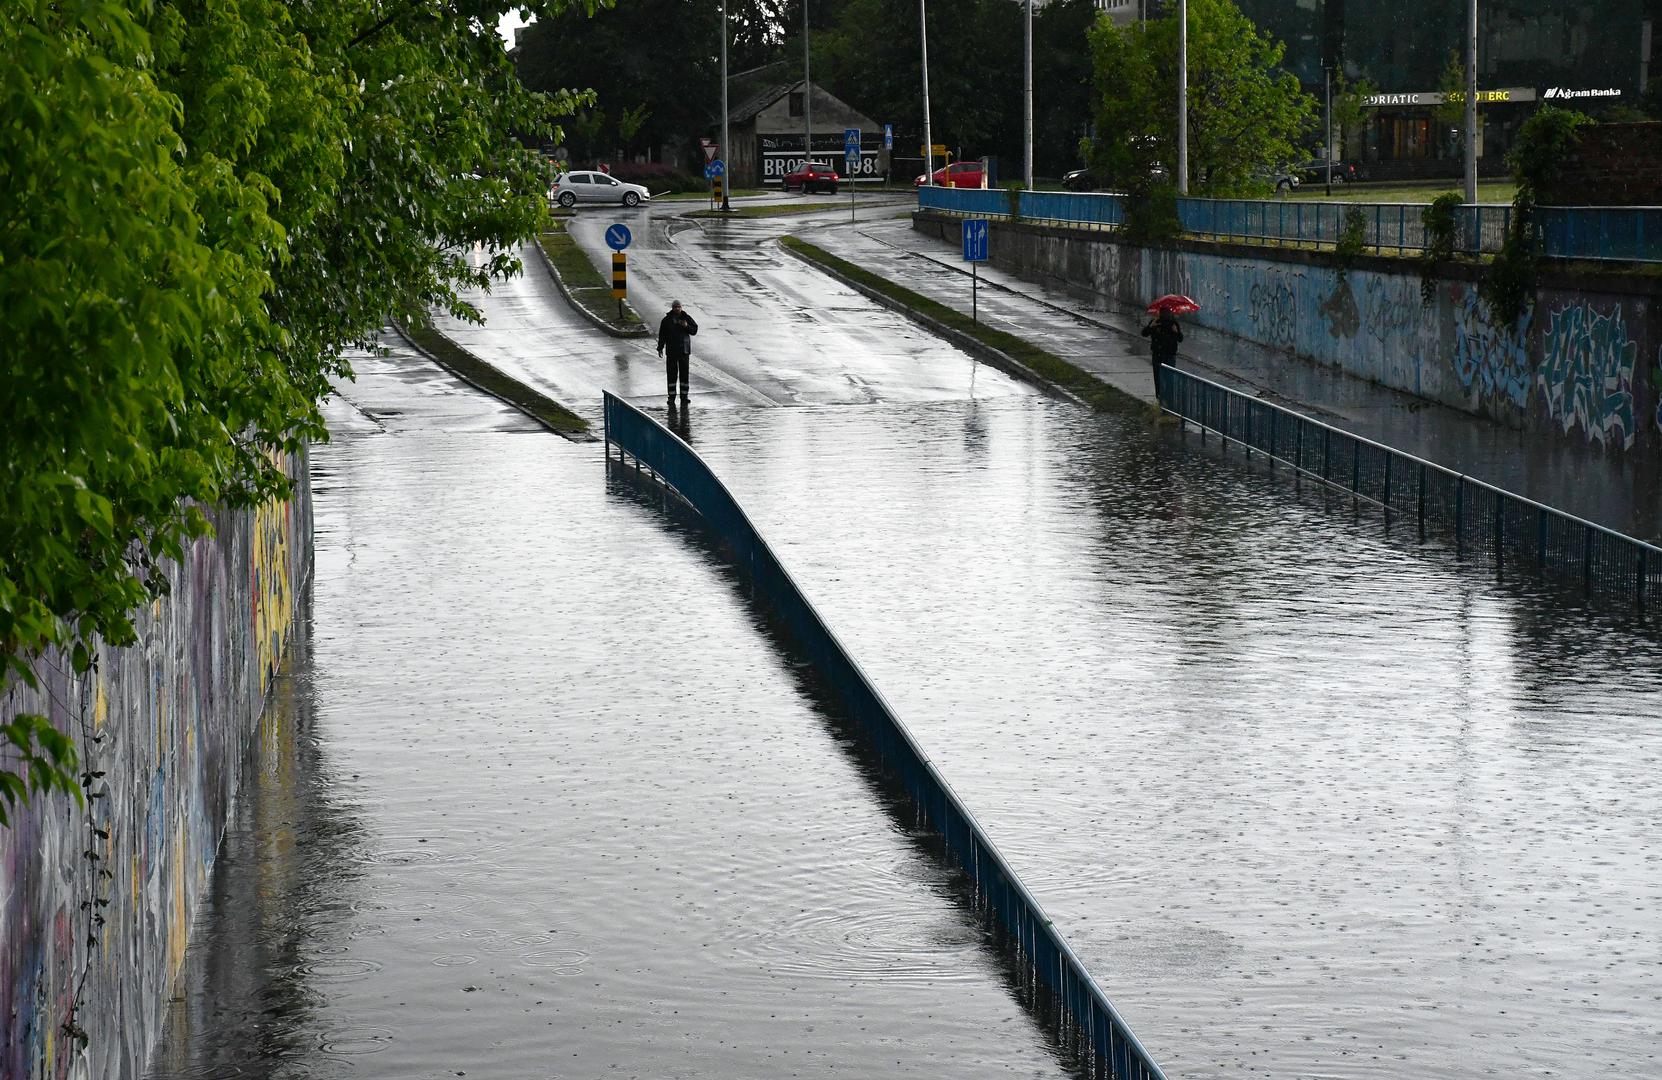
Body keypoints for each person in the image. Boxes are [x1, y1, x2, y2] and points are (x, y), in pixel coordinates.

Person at [656, 300, 698, 400]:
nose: (677, 309)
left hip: (684, 350)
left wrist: (686, 326)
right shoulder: (666, 320)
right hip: (672, 351)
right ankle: (671, 396)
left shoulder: (686, 318)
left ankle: (684, 396)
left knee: (684, 374)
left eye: (679, 307)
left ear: (681, 307)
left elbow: (694, 330)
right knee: (671, 374)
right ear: (672, 308)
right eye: (675, 307)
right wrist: (660, 348)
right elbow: (662, 335)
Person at [1141, 309, 1182, 399]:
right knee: (1158, 377)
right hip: (1158, 354)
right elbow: (1144, 333)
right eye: (1164, 313)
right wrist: (1151, 327)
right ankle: (1160, 397)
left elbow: (1180, 338)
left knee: (1169, 378)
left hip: (1169, 354)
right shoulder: (1155, 322)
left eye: (1167, 313)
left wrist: (1176, 332)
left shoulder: (1173, 323)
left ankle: (1168, 398)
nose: (1166, 315)